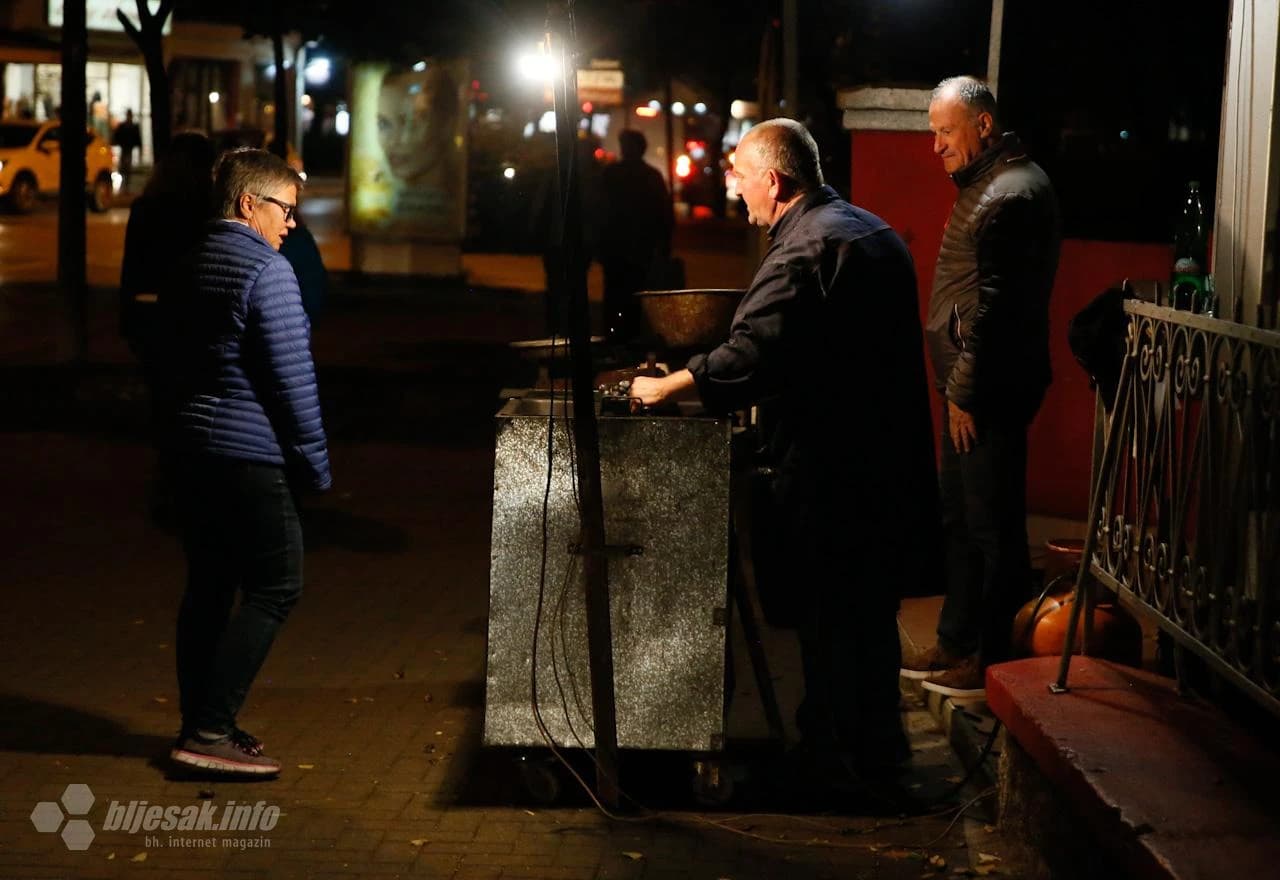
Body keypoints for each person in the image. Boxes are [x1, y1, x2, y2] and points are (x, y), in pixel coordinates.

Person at [630, 119, 938, 794]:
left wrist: (669, 385)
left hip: (833, 470)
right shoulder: (873, 232)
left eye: (739, 174)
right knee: (868, 618)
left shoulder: (806, 248)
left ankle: (832, 761)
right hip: (887, 464)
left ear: (774, 179)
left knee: (828, 619)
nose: (733, 186)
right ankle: (879, 754)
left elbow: (751, 352)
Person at [167, 148, 331, 775]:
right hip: (249, 454)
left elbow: (167, 362)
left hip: (193, 451)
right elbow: (293, 381)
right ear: (248, 203)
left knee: (208, 586)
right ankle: (209, 729)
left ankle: (200, 724)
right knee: (276, 584)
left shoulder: (191, 262)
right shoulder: (268, 271)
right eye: (286, 209)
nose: (291, 224)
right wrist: (314, 466)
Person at [900, 76, 1061, 698]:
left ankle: (996, 664)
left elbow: (998, 308)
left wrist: (963, 389)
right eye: (933, 132)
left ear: (984, 125)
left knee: (992, 528)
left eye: (945, 131)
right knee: (962, 519)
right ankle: (958, 641)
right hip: (968, 381)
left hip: (986, 386)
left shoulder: (1012, 194)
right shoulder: (990, 185)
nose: (936, 146)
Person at [119, 131, 218, 526]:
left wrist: (130, 324)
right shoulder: (207, 212)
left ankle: (168, 491)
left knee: (166, 409)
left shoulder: (147, 209)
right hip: (196, 325)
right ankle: (192, 494)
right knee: (198, 413)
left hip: (154, 324)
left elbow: (133, 273)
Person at [600, 129, 673, 341]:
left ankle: (617, 338)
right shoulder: (650, 176)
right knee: (631, 296)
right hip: (635, 248)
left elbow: (600, 209)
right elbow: (664, 215)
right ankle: (627, 338)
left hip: (625, 248)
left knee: (618, 296)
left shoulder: (613, 174)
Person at [112, 109, 143, 190]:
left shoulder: (129, 126)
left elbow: (137, 138)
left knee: (126, 165)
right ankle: (125, 184)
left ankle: (125, 184)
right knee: (124, 165)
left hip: (127, 148)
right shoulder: (127, 126)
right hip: (126, 148)